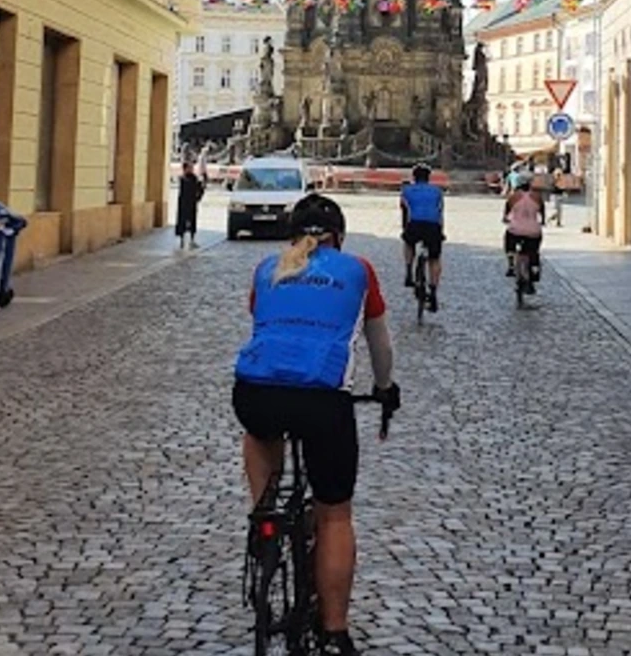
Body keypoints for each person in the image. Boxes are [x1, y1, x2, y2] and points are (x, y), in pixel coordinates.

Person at [233, 194, 398, 656]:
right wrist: (385, 387)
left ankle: (263, 515)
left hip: (255, 392)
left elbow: (266, 326)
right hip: (323, 400)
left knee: (259, 428)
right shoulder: (358, 270)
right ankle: (334, 632)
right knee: (335, 514)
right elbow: (380, 346)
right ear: (338, 237)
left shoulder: (267, 268)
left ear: (291, 235)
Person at [399, 163, 446, 311]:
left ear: (414, 177)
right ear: (428, 178)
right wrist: (441, 231)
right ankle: (433, 291)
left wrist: (405, 229)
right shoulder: (437, 191)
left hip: (414, 224)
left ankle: (408, 271)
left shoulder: (406, 190)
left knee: (408, 242)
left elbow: (404, 211)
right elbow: (440, 211)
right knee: (434, 259)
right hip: (433, 226)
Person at [503, 176, 545, 289]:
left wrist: (505, 219)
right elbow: (542, 212)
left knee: (509, 242)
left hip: (515, 230)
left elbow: (506, 212)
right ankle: (534, 268)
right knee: (533, 251)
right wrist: (542, 221)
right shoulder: (537, 197)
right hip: (533, 230)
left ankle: (511, 264)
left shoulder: (513, 197)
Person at [174, 157, 203, 251]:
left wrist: (198, 197)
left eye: (192, 167)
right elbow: (184, 190)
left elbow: (199, 189)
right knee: (182, 221)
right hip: (183, 204)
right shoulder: (183, 178)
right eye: (190, 168)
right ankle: (182, 240)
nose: (191, 169)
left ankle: (192, 239)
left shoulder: (195, 178)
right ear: (185, 169)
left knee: (192, 221)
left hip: (192, 203)